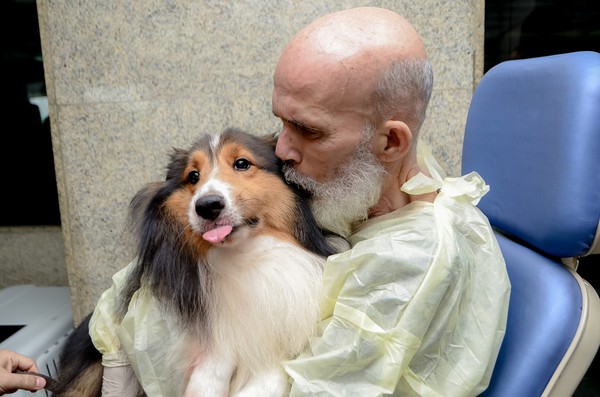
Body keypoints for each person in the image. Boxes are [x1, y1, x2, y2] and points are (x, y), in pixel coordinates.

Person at [90, 6, 510, 396]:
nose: (282, 150)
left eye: (309, 131)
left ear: (390, 141)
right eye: (281, 123)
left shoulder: (409, 262)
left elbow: (315, 386)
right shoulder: (365, 189)